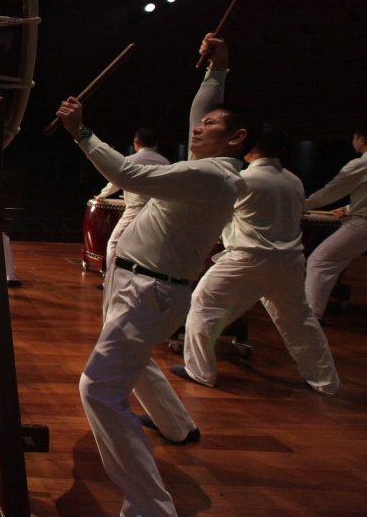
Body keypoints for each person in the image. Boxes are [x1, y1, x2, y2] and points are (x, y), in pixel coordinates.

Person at [55, 33, 259, 517]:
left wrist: (82, 133)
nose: (198, 127)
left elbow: (130, 175)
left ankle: (151, 507)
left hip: (150, 290)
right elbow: (201, 110)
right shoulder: (207, 167)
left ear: (236, 139)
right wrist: (218, 71)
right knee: (137, 363)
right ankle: (176, 426)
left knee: (99, 390)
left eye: (210, 125)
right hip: (142, 284)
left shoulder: (214, 176)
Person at [176, 120, 339, 395]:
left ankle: (200, 372)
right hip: (289, 262)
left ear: (250, 146)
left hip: (247, 259)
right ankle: (325, 381)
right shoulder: (294, 181)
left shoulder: (245, 180)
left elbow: (217, 213)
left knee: (204, 305)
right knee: (299, 321)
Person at [303, 122, 367, 318]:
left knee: (320, 262)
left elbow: (331, 191)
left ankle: (311, 317)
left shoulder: (363, 163)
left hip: (365, 224)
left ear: (361, 139)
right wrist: (349, 208)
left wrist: (302, 206)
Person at [94, 127, 171, 289]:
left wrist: (102, 195)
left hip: (135, 210)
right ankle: (143, 282)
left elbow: (115, 181)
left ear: (136, 143)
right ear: (156, 143)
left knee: (114, 244)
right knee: (149, 248)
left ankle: (110, 282)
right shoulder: (165, 163)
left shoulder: (130, 160)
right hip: (158, 211)